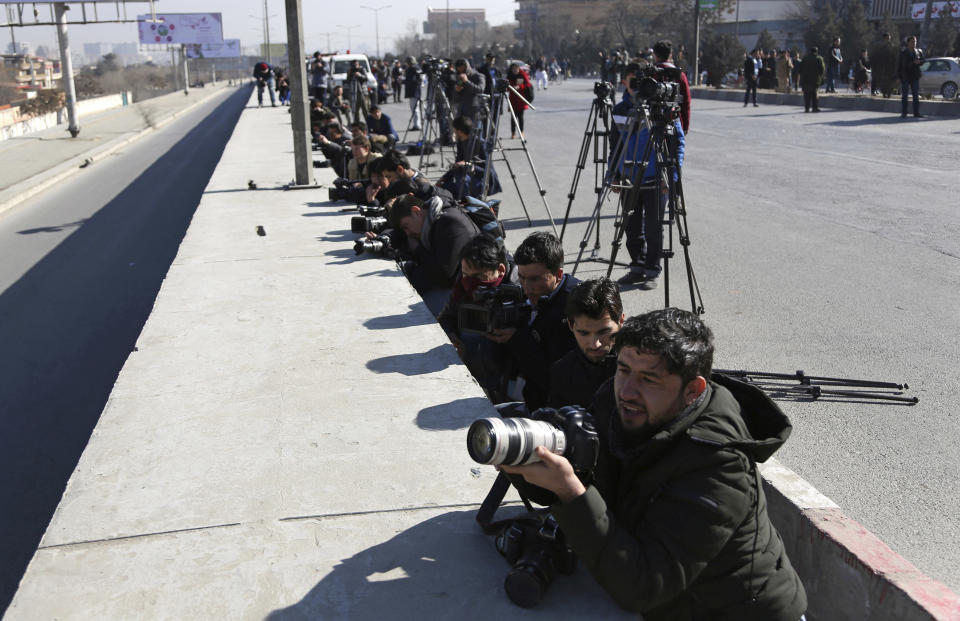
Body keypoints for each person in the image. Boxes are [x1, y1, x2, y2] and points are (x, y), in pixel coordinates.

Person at [500, 308, 808, 620]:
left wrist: (571, 494)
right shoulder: (615, 401)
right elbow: (585, 476)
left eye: (649, 379)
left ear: (693, 390)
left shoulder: (718, 464)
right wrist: (524, 464)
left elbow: (643, 588)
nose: (628, 391)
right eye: (623, 369)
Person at [486, 232, 580, 410]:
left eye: (535, 279)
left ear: (558, 275)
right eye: (521, 277)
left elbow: (553, 377)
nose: (527, 287)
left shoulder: (575, 308)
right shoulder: (521, 294)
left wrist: (517, 339)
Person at [612, 62, 685, 290]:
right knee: (632, 226)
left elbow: (678, 142)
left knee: (654, 227)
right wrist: (613, 173)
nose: (636, 86)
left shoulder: (661, 109)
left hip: (656, 176)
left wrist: (672, 176)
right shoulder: (621, 109)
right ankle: (637, 265)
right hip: (629, 178)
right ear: (623, 81)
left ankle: (653, 269)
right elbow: (614, 144)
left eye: (639, 81)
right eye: (631, 81)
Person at [438, 235, 519, 401]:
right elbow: (446, 318)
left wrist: (516, 336)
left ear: (501, 270)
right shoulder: (462, 287)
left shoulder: (519, 291)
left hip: (509, 376)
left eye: (479, 277)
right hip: (473, 367)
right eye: (466, 274)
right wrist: (452, 338)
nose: (470, 283)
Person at [390, 194, 483, 311]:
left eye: (406, 226)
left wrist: (417, 250)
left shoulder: (450, 223)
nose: (407, 233)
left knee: (419, 308)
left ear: (416, 212)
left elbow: (444, 276)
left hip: (467, 289)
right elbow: (398, 235)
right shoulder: (430, 220)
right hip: (452, 282)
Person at [548, 278, 624, 409]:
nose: (595, 344)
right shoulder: (562, 372)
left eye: (603, 331)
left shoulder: (642, 366)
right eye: (584, 333)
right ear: (571, 325)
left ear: (621, 321)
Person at [437, 116, 502, 200]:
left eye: (454, 130)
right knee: (444, 188)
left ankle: (467, 203)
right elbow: (457, 165)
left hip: (480, 180)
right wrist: (443, 179)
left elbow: (487, 170)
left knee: (462, 181)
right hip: (466, 179)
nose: (453, 132)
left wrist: (469, 165)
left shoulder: (480, 143)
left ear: (459, 131)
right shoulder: (461, 143)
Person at [652, 40, 690, 133]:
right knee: (678, 146)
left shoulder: (651, 73)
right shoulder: (679, 75)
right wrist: (685, 126)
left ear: (654, 55)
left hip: (651, 121)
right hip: (675, 120)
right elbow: (686, 102)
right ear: (670, 55)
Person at [897, 35, 925, 119]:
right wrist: (898, 76)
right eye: (913, 42)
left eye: (915, 42)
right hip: (905, 76)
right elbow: (900, 65)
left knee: (916, 95)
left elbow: (923, 60)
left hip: (915, 76)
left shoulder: (919, 51)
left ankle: (916, 113)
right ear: (908, 43)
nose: (914, 43)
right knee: (905, 96)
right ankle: (904, 113)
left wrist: (919, 62)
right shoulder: (903, 52)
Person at [451, 58, 486, 122]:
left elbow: (480, 90)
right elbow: (455, 99)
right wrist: (457, 91)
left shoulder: (479, 76)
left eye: (463, 70)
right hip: (461, 113)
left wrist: (467, 82)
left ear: (467, 67)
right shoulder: (459, 77)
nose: (461, 73)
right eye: (459, 71)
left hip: (474, 113)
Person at [506, 62, 533, 139]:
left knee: (521, 117)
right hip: (513, 99)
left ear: (519, 69)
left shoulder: (522, 75)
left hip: (521, 99)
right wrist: (510, 88)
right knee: (513, 117)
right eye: (513, 69)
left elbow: (528, 84)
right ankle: (513, 133)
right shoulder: (509, 76)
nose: (515, 70)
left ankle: (521, 133)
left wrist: (520, 86)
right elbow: (506, 88)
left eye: (516, 69)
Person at [799, 47, 825, 113]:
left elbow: (800, 68)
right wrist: (821, 77)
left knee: (806, 95)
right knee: (815, 94)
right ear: (816, 51)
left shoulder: (805, 58)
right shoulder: (819, 58)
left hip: (806, 80)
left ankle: (807, 108)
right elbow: (822, 69)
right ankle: (815, 108)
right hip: (815, 79)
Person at [404, 57, 423, 131]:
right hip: (415, 91)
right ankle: (417, 124)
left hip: (414, 91)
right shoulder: (417, 68)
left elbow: (413, 80)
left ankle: (417, 125)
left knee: (415, 109)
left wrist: (404, 81)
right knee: (415, 109)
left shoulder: (413, 69)